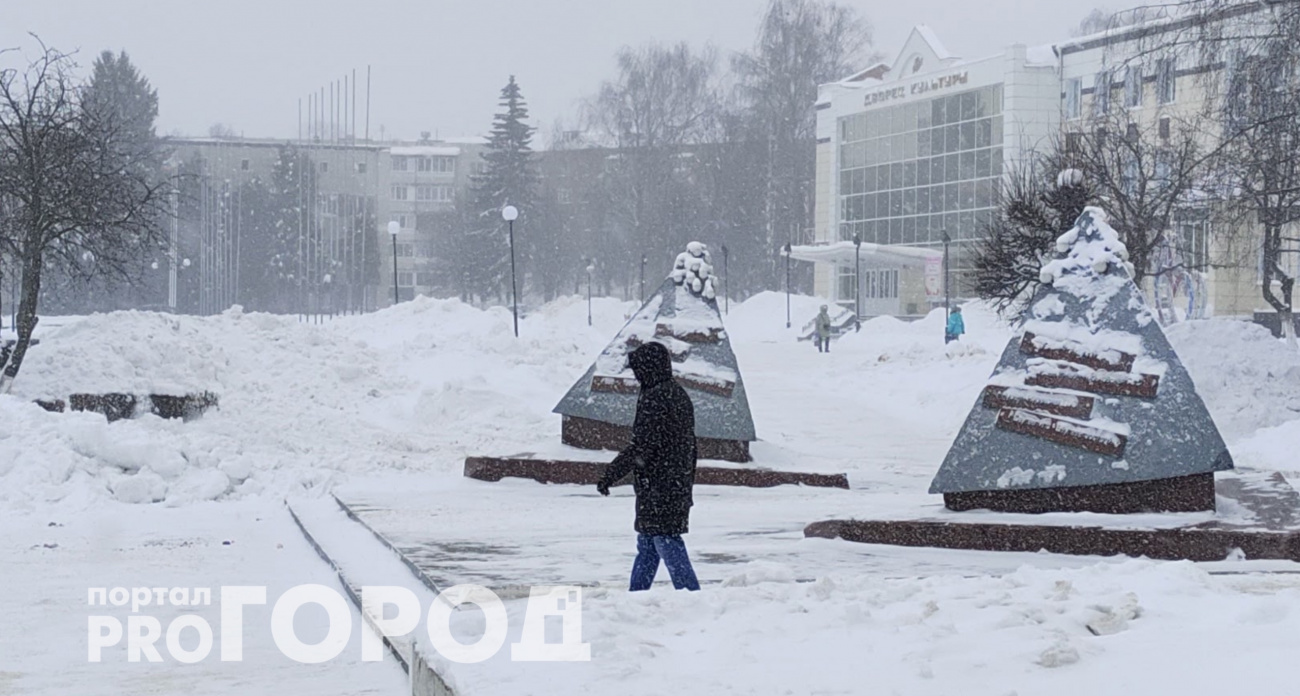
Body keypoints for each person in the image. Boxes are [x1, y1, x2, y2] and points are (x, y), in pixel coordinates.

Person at [596, 342, 701, 592]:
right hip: (668, 484)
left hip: (661, 487)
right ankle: (636, 596)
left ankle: (690, 595)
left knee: (665, 540)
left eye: (638, 370)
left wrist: (611, 474)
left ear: (649, 368)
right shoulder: (673, 393)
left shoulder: (658, 397)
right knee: (648, 544)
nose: (635, 375)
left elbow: (642, 446)